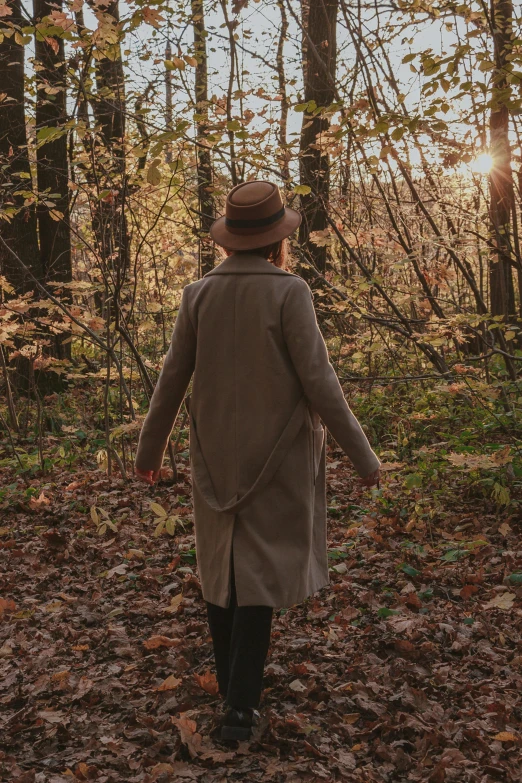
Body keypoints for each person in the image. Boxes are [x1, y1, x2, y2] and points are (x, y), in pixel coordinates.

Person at [135, 180, 380, 741]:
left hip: (216, 455)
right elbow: (320, 382)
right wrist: (363, 457)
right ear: (277, 239)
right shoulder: (289, 292)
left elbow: (172, 378)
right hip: (278, 457)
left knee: (224, 571)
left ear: (228, 240)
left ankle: (234, 699)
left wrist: (149, 453)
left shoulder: (198, 294)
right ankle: (240, 709)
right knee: (260, 574)